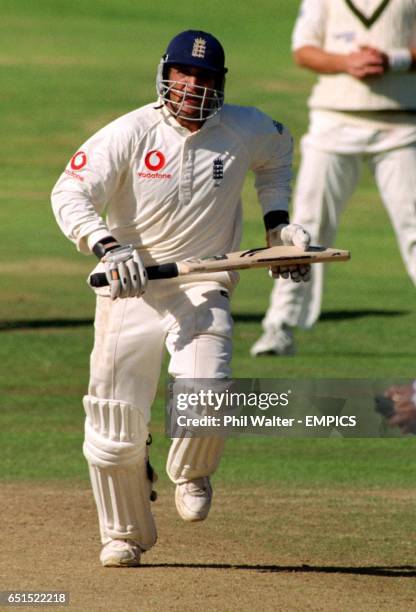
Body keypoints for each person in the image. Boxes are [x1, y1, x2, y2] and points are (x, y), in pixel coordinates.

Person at [51, 30, 311, 567]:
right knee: (116, 426)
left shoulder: (246, 128)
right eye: (183, 75)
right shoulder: (131, 131)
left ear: (220, 84)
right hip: (132, 287)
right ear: (165, 76)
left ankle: (192, 470)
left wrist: (278, 226)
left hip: (203, 281)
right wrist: (105, 244)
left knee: (207, 387)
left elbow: (278, 157)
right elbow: (69, 193)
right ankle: (124, 534)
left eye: (205, 77)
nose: (193, 86)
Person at [251, 0, 416, 357]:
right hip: (333, 121)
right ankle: (280, 325)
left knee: (414, 226)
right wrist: (346, 62)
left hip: (401, 126)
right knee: (306, 226)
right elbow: (304, 51)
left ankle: (281, 324)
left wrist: (394, 60)